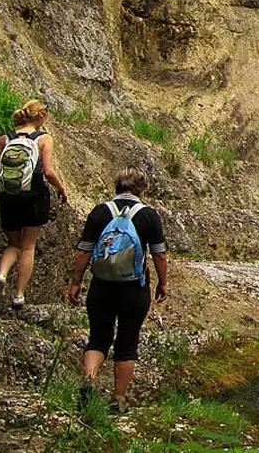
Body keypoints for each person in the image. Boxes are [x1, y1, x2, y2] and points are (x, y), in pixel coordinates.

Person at [69, 167, 168, 414]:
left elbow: (83, 251)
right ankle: (119, 398)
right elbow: (159, 254)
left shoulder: (100, 212)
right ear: (141, 188)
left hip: (101, 285)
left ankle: (89, 381)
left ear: (117, 185)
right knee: (127, 342)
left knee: (98, 338)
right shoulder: (148, 216)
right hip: (134, 288)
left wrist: (76, 281)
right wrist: (163, 283)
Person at [0, 99, 69, 309]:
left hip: (8, 198)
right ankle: (18, 295)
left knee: (13, 244)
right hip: (34, 197)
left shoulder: (4, 138)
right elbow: (48, 171)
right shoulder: (43, 139)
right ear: (41, 116)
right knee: (28, 246)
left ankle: (1, 274)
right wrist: (62, 189)